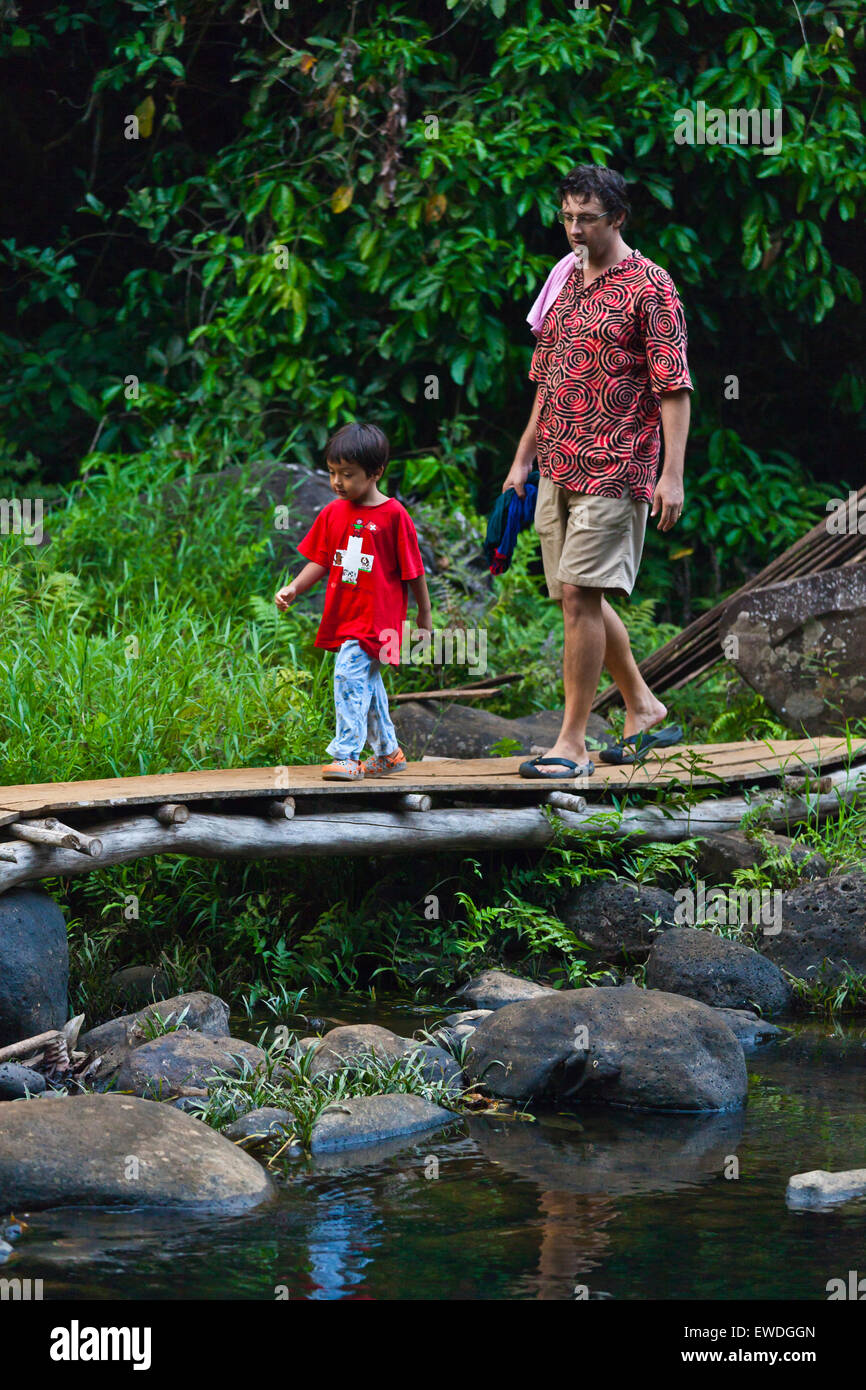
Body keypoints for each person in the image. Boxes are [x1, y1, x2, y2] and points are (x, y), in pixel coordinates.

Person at [503, 164, 692, 778]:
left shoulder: (650, 286)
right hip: (557, 460)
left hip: (617, 464)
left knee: (582, 597)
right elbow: (546, 380)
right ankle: (643, 706)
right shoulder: (564, 280)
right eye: (567, 217)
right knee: (571, 597)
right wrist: (523, 458)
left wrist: (671, 475)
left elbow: (674, 389)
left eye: (587, 218)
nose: (575, 229)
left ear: (617, 218)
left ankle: (572, 744)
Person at [275, 422, 432, 780]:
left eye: (347, 474)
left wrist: (425, 614)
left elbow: (414, 570)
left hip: (377, 618)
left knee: (348, 675)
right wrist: (294, 588)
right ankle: (388, 751)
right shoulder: (334, 512)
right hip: (345, 614)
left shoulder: (394, 516)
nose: (337, 483)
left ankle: (347, 754)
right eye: (332, 473)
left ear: (375, 472)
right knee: (368, 683)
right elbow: (322, 558)